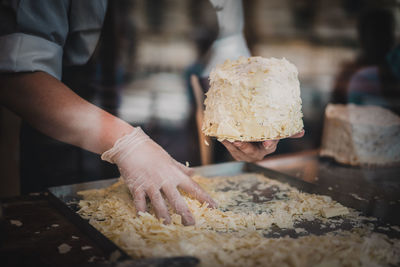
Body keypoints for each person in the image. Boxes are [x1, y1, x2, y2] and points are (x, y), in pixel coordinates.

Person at [0, 0, 301, 225]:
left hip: (177, 154)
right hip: (75, 159)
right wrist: (127, 144)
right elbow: (16, 78)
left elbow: (225, 51)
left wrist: (244, 124)